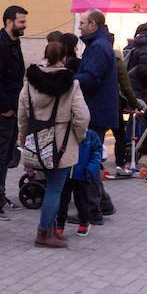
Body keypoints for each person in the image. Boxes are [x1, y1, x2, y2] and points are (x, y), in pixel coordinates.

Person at [17, 39, 89, 249]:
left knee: (50, 187)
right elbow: (83, 116)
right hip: (61, 144)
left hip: (35, 142)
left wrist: (24, 139)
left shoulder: (30, 83)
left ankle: (49, 230)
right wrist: (79, 134)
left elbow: (22, 114)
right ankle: (43, 233)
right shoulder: (71, 84)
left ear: (45, 56)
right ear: (65, 58)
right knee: (54, 188)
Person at [76, 10, 140, 174]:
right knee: (91, 160)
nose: (79, 27)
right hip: (99, 109)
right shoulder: (99, 44)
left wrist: (71, 79)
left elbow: (91, 79)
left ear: (92, 24)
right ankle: (95, 198)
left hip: (96, 110)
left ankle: (95, 199)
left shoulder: (98, 47)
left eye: (82, 23)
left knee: (90, 161)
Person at [0, 5, 27, 216]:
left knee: (6, 155)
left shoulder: (14, 43)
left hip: (13, 107)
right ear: (9, 22)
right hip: (2, 110)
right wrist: (6, 108)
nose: (24, 25)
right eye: (21, 22)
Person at [56, 128, 102, 237]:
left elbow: (97, 152)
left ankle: (84, 222)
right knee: (62, 201)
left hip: (83, 174)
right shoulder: (65, 133)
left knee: (82, 201)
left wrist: (91, 169)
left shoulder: (90, 135)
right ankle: (59, 225)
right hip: (65, 172)